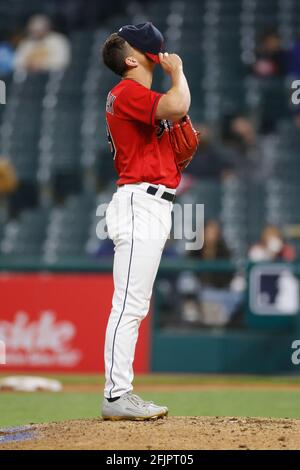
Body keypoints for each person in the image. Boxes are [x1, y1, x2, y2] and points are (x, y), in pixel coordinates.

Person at [101, 22, 191, 420]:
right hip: (139, 202)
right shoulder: (127, 92)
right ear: (133, 59)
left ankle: (120, 392)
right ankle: (117, 394)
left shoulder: (137, 97)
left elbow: (176, 140)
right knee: (129, 304)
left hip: (151, 202)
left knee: (135, 304)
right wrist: (179, 73)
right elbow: (178, 105)